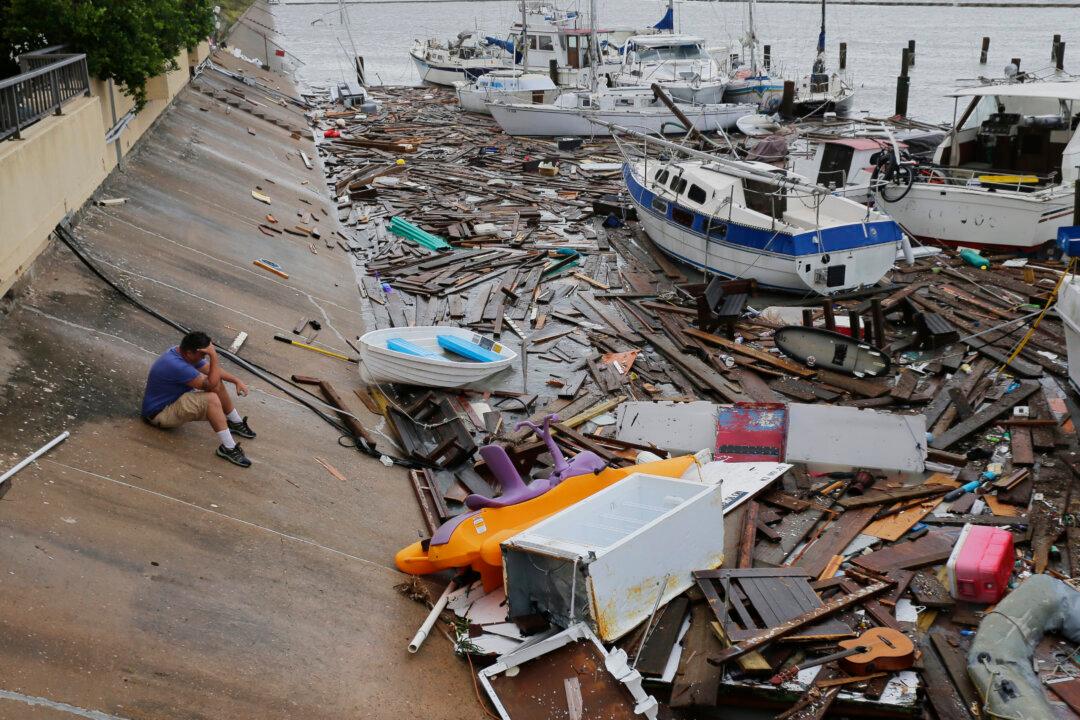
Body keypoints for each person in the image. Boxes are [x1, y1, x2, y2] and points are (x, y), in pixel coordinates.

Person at [141, 331, 255, 467]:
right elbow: (210, 383)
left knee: (216, 382)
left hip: (170, 402)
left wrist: (236, 380)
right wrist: (214, 356)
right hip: (159, 415)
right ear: (190, 353)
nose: (204, 358)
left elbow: (211, 373)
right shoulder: (178, 365)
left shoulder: (182, 353)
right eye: (203, 355)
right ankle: (228, 448)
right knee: (211, 399)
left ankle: (235, 422)